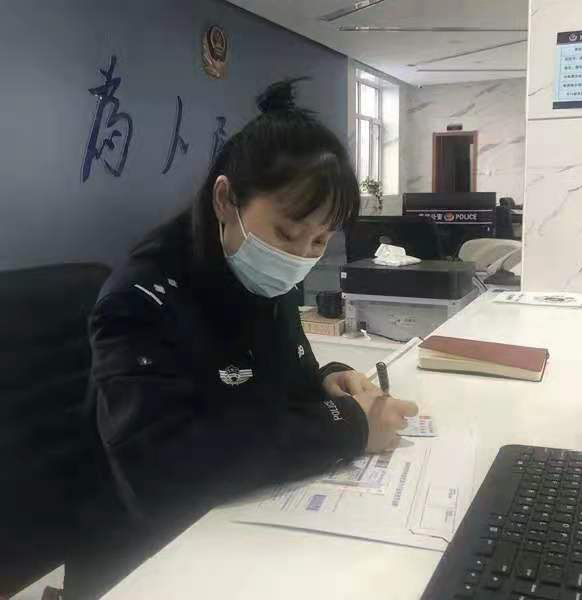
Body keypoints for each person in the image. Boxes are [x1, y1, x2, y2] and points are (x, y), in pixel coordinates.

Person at [64, 78, 417, 599]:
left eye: (320, 240)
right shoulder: (138, 300)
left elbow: (280, 382)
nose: (300, 257)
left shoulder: (259, 272)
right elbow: (161, 471)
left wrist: (328, 382)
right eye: (288, 233)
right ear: (226, 199)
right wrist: (349, 428)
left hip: (246, 524)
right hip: (147, 559)